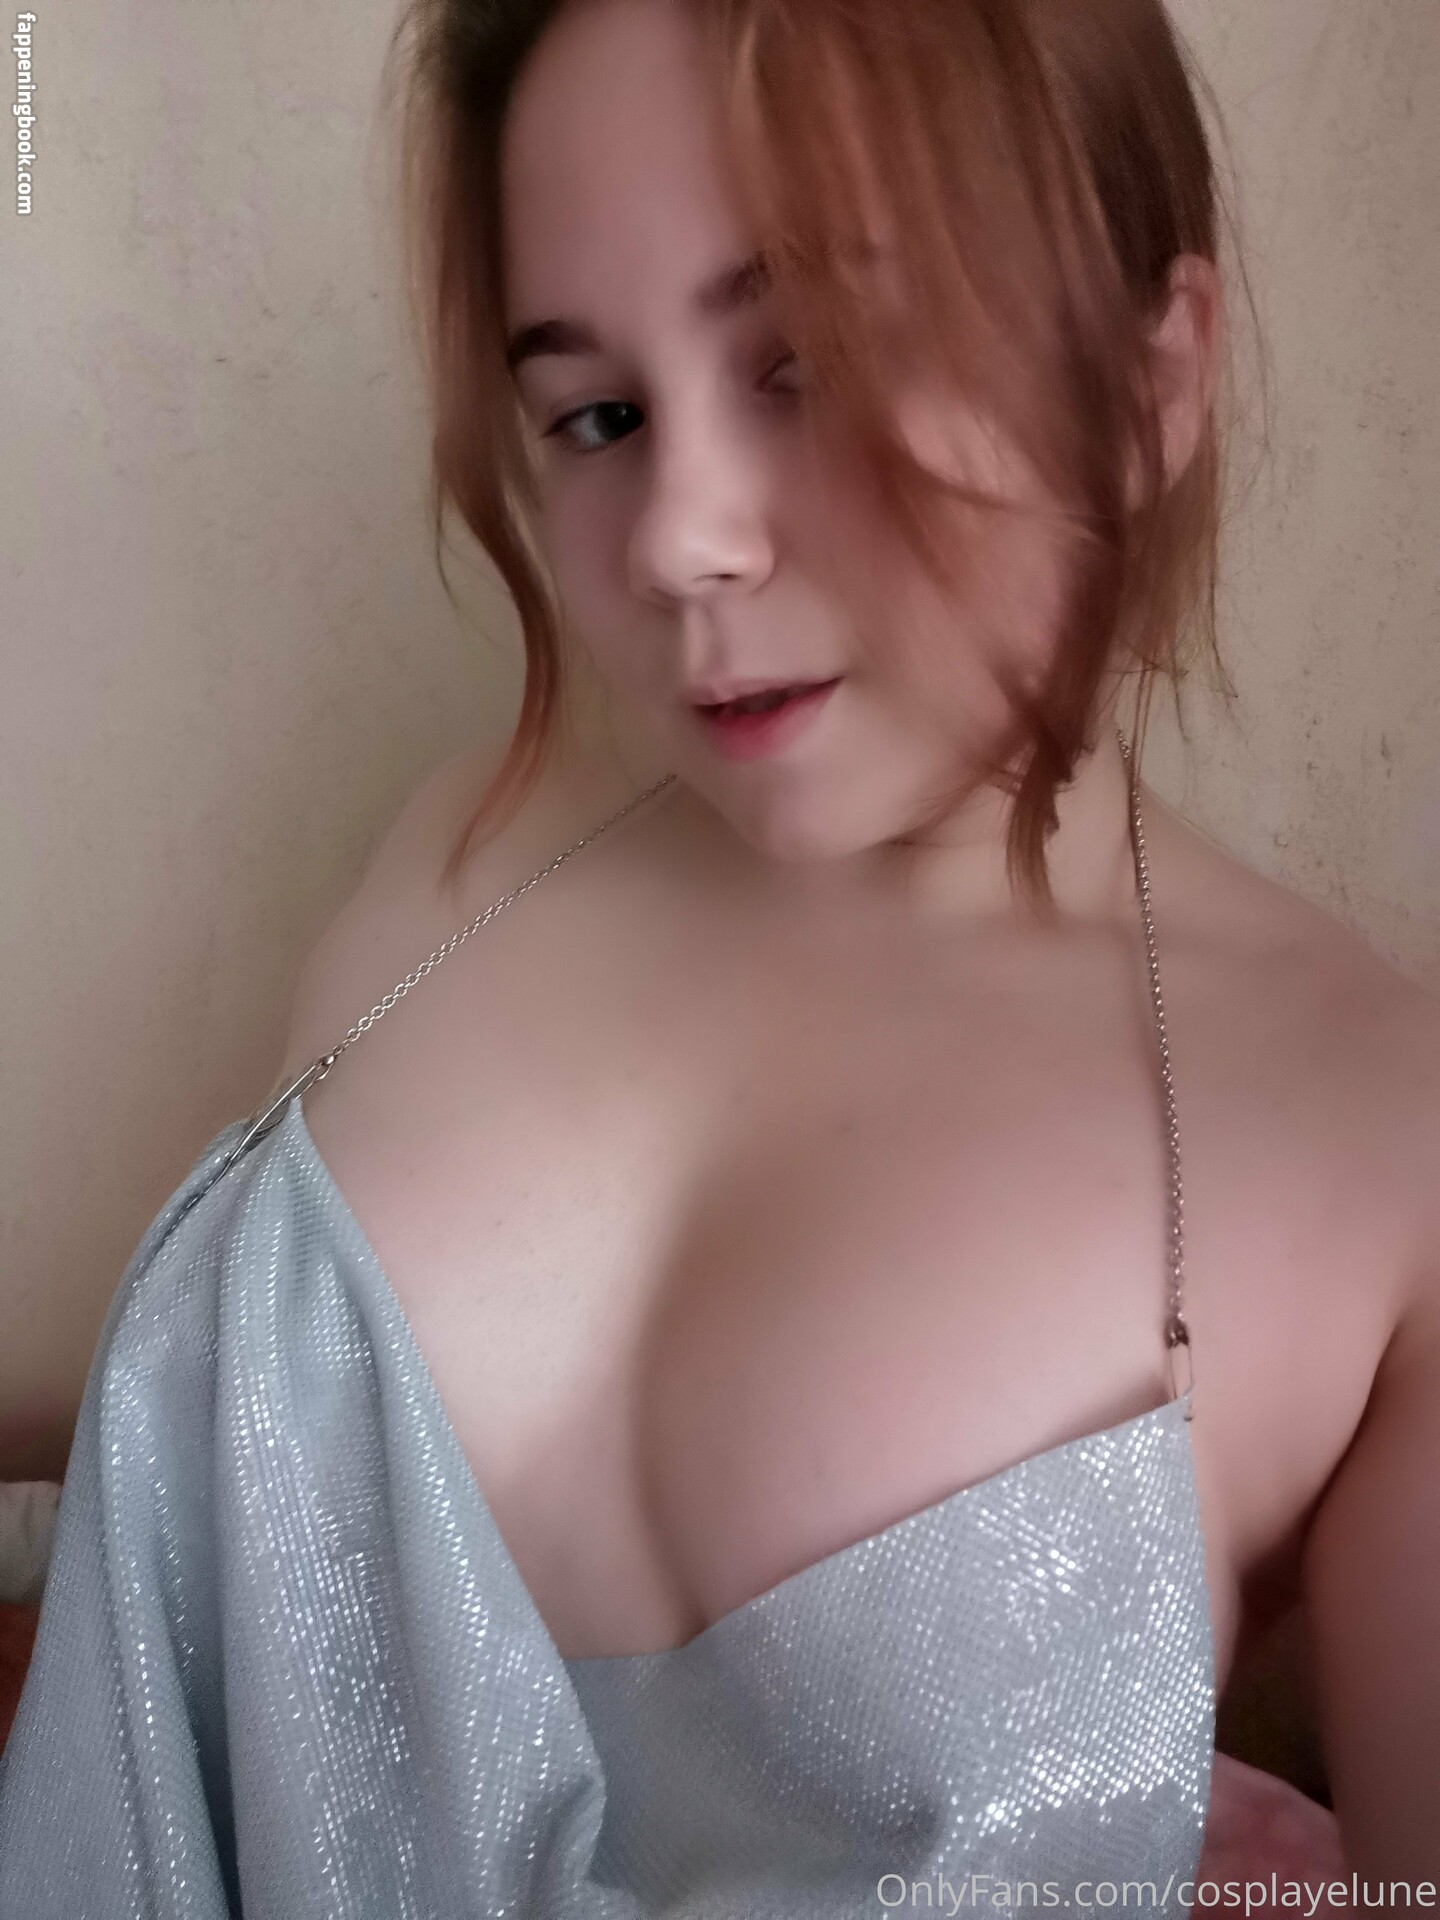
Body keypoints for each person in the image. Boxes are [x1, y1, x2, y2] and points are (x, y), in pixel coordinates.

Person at [2, 0, 1436, 1907]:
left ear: (1150, 382)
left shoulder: (1373, 1138)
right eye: (597, 415)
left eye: (815, 362)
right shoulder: (457, 854)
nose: (679, 539)